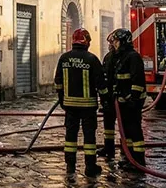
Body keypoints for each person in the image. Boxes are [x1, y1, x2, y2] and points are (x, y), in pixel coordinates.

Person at [53, 28, 106, 176]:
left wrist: (62, 98)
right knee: (89, 137)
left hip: (69, 106)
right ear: (87, 42)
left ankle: (70, 166)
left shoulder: (64, 58)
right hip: (88, 106)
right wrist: (106, 100)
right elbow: (101, 83)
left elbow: (58, 82)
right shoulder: (92, 59)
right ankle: (90, 167)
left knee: (70, 137)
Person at [111, 28, 146, 167]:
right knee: (126, 130)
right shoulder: (121, 56)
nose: (114, 44)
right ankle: (129, 157)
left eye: (116, 41)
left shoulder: (133, 57)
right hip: (124, 100)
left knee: (134, 130)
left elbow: (137, 81)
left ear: (123, 42)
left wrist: (133, 98)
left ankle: (138, 160)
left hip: (133, 101)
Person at [97, 31, 120, 158]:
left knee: (128, 127)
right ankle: (108, 148)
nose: (111, 45)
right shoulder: (108, 57)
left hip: (124, 99)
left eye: (114, 42)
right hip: (110, 98)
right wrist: (104, 98)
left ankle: (130, 153)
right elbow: (103, 77)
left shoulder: (129, 57)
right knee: (108, 126)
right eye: (111, 42)